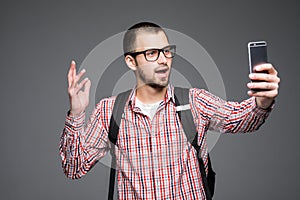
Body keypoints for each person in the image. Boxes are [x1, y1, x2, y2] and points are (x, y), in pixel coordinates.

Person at [59, 22, 280, 199]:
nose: (164, 60)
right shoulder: (109, 110)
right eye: (152, 53)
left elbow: (241, 119)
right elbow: (74, 167)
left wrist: (262, 101)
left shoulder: (194, 101)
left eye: (166, 51)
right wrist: (77, 114)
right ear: (131, 61)